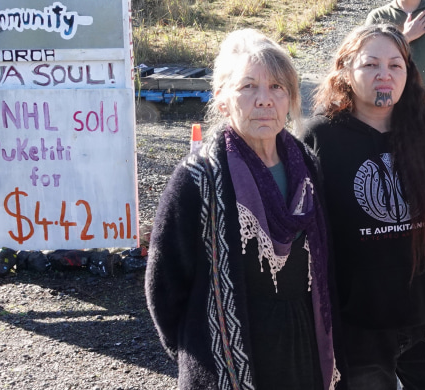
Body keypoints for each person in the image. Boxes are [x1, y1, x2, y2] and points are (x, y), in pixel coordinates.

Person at [146, 29, 341, 390]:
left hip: (303, 349)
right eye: (248, 86)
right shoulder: (196, 180)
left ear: (291, 99)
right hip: (228, 361)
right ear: (222, 99)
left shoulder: (308, 167)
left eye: (277, 88)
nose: (264, 100)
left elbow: (326, 263)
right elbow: (164, 288)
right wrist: (200, 353)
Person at [302, 24, 425, 390]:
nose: (385, 75)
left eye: (396, 66)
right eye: (371, 65)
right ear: (345, 70)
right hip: (356, 332)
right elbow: (307, 241)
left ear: (409, 74)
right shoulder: (320, 137)